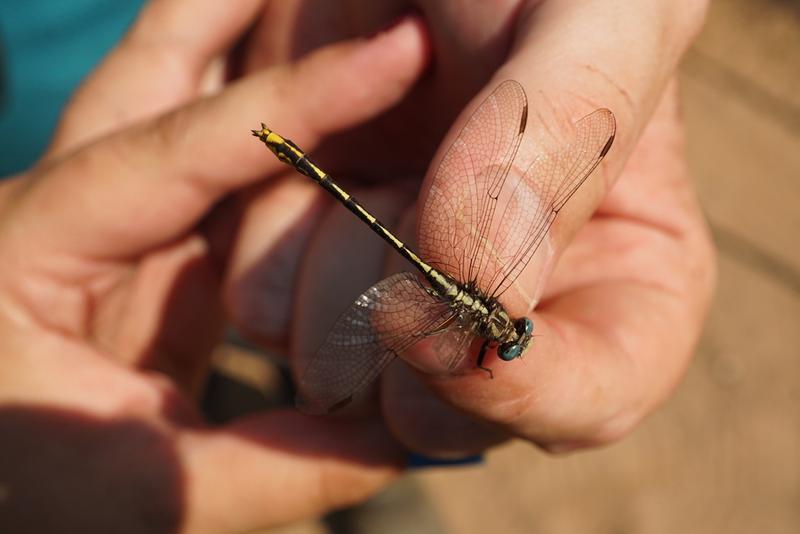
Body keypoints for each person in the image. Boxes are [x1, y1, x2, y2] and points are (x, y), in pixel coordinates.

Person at [0, 0, 715, 531]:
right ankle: (370, 448)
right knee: (361, 345)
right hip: (62, 149)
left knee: (353, 329)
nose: (511, 340)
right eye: (512, 337)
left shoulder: (480, 315)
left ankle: (367, 448)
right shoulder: (484, 313)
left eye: (510, 342)